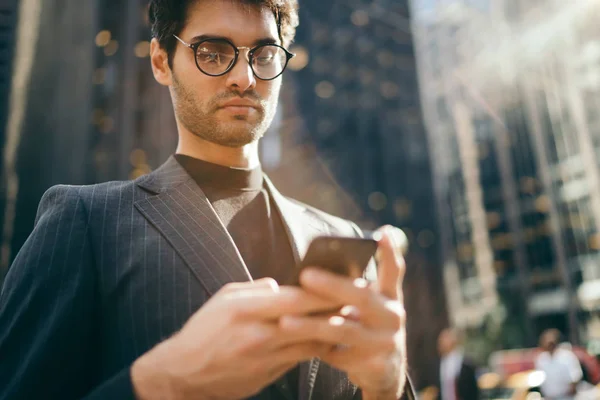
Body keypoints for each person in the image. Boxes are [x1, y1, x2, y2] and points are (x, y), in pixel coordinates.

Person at [0, 1, 415, 399]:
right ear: (162, 62)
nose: (245, 78)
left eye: (264, 54)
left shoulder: (343, 238)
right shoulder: (86, 221)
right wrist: (160, 383)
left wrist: (385, 388)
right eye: (213, 53)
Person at [535, 329, 583, 400]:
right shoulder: (541, 359)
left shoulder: (567, 356)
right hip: (550, 397)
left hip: (567, 397)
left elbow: (575, 377)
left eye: (551, 343)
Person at [436, 328, 479, 400]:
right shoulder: (438, 365)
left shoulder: (465, 364)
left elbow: (473, 390)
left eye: (444, 339)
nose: (440, 343)